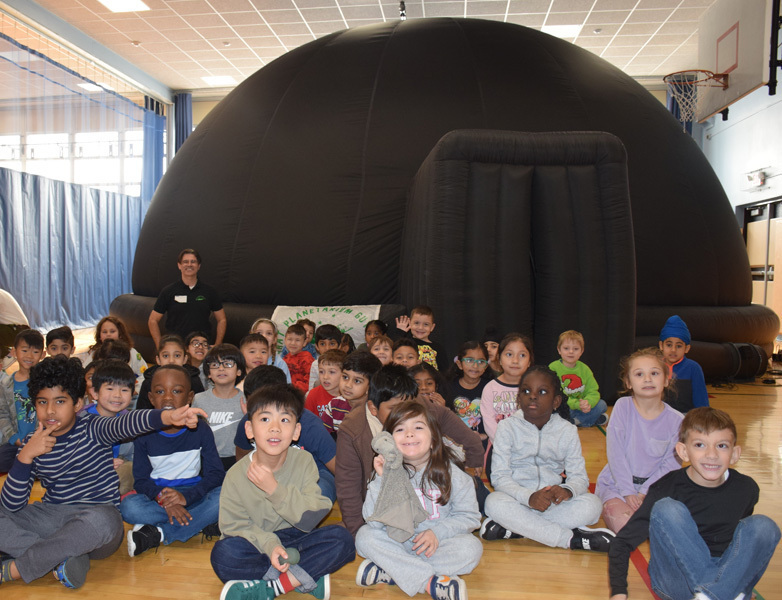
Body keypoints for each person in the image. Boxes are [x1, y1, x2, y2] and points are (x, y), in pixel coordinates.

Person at [0, 355, 205, 589]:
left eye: (59, 401)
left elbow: (129, 423)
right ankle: (61, 559)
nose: (50, 411)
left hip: (96, 523)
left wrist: (168, 416)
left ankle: (16, 569)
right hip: (52, 515)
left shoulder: (94, 427)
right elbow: (12, 506)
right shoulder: (31, 442)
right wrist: (26, 457)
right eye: (42, 402)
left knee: (104, 520)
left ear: (77, 404)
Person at [608, 407, 781, 600]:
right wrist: (619, 592)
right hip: (676, 581)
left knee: (764, 526)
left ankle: (715, 594)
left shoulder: (747, 489)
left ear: (734, 453)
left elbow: (741, 546)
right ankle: (723, 594)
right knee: (668, 509)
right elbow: (623, 542)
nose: (712, 455)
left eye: (722, 446)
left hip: (723, 574)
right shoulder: (666, 487)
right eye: (700, 445)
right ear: (683, 451)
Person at [210, 383, 355, 600]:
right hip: (258, 542)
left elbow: (311, 518)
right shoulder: (235, 475)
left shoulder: (304, 461)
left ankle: (272, 588)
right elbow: (234, 527)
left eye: (285, 420)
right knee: (223, 554)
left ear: (296, 431)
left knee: (343, 539)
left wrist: (274, 489)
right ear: (249, 429)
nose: (275, 428)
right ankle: (304, 577)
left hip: (297, 535)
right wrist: (270, 545)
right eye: (265, 419)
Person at [336, 364, 485, 537]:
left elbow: (464, 434)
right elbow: (347, 485)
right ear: (373, 408)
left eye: (409, 406)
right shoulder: (352, 429)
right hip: (389, 505)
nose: (404, 414)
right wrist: (357, 531)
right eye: (394, 409)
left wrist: (474, 464)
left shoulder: (420, 406)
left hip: (434, 498)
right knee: (367, 538)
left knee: (480, 499)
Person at [355, 401, 482, 600]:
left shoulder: (454, 475)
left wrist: (437, 533)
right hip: (398, 543)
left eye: (418, 427)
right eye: (400, 429)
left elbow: (470, 517)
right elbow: (373, 522)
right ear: (388, 440)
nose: (409, 434)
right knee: (364, 537)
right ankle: (430, 582)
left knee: (472, 549)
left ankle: (392, 571)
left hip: (437, 545)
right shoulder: (384, 473)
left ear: (433, 439)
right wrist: (381, 479)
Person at [482, 366, 613, 552]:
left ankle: (516, 528)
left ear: (556, 401)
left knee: (593, 506)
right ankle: (570, 539)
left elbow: (580, 478)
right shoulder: (506, 427)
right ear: (519, 398)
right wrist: (528, 498)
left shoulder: (567, 430)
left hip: (553, 503)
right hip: (517, 499)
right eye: (526, 391)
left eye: (542, 392)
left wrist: (567, 490)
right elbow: (500, 478)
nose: (533, 396)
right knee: (493, 502)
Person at [121, 365, 224, 556]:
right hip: (159, 496)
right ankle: (197, 522)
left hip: (193, 494)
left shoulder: (200, 429)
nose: (168, 397)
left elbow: (216, 474)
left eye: (176, 391)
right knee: (129, 507)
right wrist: (165, 501)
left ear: (190, 397)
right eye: (160, 391)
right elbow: (142, 480)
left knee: (224, 497)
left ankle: (158, 533)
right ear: (151, 398)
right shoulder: (144, 434)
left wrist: (186, 498)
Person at [596, 347, 683, 533]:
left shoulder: (677, 421)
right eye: (639, 374)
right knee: (626, 526)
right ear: (628, 382)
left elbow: (671, 464)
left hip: (656, 488)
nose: (647, 379)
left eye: (654, 373)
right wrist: (628, 492)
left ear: (667, 379)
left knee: (672, 521)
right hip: (617, 485)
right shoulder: (622, 407)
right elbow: (616, 454)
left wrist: (645, 492)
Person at [234, 366, 338, 502]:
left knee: (317, 494)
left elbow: (338, 468)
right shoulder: (248, 422)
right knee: (224, 493)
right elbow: (242, 457)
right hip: (269, 472)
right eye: (261, 412)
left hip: (315, 473)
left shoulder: (310, 425)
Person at [148, 249, 227, 348]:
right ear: (179, 265)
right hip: (176, 345)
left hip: (201, 346)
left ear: (199, 266)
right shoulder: (168, 291)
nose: (189, 264)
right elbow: (152, 320)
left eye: (193, 262)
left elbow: (222, 319)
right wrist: (160, 346)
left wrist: (218, 344)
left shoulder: (210, 291)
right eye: (185, 262)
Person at [86, 359, 138, 496]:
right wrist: (103, 463)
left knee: (131, 469)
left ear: (133, 393)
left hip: (118, 468)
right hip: (88, 470)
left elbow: (133, 454)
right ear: (94, 392)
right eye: (110, 388)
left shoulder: (128, 422)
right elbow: (74, 456)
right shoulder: (83, 420)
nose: (117, 395)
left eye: (125, 390)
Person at [193, 344, 246, 471]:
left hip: (237, 459)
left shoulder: (246, 400)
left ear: (239, 371)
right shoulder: (199, 399)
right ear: (209, 373)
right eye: (215, 365)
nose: (221, 369)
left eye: (227, 364)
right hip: (206, 458)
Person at [0, 329, 44, 472]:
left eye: (35, 352)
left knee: (46, 464)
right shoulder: (6, 384)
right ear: (14, 352)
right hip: (16, 443)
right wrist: (14, 438)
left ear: (43, 354)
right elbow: (3, 414)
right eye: (24, 350)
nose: (30, 356)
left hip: (42, 441)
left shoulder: (45, 382)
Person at [548, 330, 608, 427]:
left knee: (602, 405)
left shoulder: (585, 369)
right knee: (553, 410)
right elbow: (554, 393)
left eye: (575, 349)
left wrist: (587, 402)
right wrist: (575, 404)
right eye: (566, 348)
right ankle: (590, 420)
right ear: (559, 350)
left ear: (581, 351)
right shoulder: (553, 367)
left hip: (581, 407)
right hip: (563, 407)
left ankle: (575, 421)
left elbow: (593, 391)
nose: (571, 352)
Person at [480, 333, 532, 443]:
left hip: (529, 448)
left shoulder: (533, 389)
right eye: (509, 354)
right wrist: (505, 445)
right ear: (499, 359)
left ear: (529, 361)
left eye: (522, 355)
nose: (515, 360)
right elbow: (489, 423)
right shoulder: (490, 388)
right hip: (500, 449)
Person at [136, 335, 205, 410]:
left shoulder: (193, 380)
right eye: (165, 356)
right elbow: (141, 412)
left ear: (185, 359)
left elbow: (202, 408)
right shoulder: (149, 381)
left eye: (177, 355)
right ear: (158, 359)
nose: (171, 360)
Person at [322, 352, 382, 434]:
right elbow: (322, 435)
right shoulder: (334, 405)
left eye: (357, 381)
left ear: (370, 386)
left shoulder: (375, 410)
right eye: (345, 377)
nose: (348, 385)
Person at [444, 341, 490, 447]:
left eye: (481, 362)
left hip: (483, 441)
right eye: (469, 360)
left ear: (486, 366)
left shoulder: (490, 388)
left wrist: (485, 435)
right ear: (460, 364)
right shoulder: (448, 386)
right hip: (454, 442)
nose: (475, 366)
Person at [658, 315, 709, 412]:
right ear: (661, 345)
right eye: (669, 345)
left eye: (679, 346)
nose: (673, 350)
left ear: (687, 348)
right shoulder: (655, 366)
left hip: (685, 419)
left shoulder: (693, 368)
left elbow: (701, 400)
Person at [87, 317, 147, 390]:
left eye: (112, 331)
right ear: (99, 336)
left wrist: (135, 390)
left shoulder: (132, 352)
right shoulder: (95, 353)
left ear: (120, 334)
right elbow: (85, 374)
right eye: (104, 332)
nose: (108, 334)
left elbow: (144, 375)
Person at [394, 306, 447, 371]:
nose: (420, 327)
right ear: (410, 323)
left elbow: (445, 372)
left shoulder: (438, 348)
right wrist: (400, 332)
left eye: (426, 324)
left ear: (432, 327)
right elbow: (393, 350)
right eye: (416, 323)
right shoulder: (405, 343)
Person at [304, 349, 346, 419]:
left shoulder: (349, 396)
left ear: (344, 374)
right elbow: (306, 422)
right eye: (321, 372)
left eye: (332, 372)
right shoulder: (313, 395)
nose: (325, 377)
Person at [251, 318, 292, 383]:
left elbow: (287, 388)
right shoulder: (247, 359)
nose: (264, 336)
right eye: (259, 333)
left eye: (269, 333)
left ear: (275, 339)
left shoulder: (280, 363)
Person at [306, 324, 343, 390]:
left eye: (332, 344)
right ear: (317, 347)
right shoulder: (315, 364)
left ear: (339, 346)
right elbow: (311, 390)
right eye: (322, 344)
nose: (327, 348)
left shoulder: (345, 363)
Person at [282, 324, 314, 393]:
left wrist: (292, 387)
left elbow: (310, 383)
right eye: (290, 339)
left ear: (304, 342)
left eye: (297, 340)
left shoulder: (307, 358)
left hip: (300, 394)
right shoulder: (285, 358)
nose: (293, 343)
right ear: (285, 340)